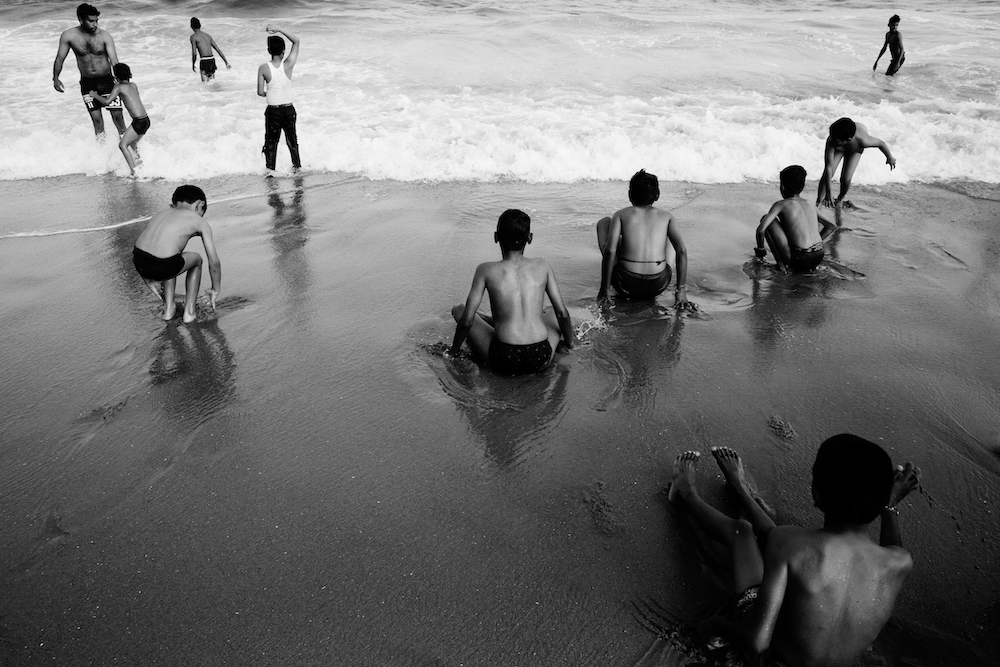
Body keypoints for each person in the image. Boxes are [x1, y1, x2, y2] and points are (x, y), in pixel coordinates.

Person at [667, 436, 921, 667]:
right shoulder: (899, 562)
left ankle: (687, 493)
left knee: (742, 532)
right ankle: (740, 489)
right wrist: (889, 507)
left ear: (816, 495)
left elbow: (757, 641)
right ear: (882, 501)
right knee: (778, 539)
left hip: (771, 661)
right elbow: (892, 546)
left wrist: (715, 625)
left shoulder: (791, 543)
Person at [450, 209, 576, 377]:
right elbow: (562, 314)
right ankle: (562, 348)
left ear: (496, 237)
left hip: (504, 358)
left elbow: (466, 321)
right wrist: (571, 343)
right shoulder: (542, 265)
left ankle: (494, 325)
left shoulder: (485, 269)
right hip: (541, 356)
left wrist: (453, 352)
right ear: (529, 238)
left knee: (459, 309)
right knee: (552, 312)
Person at [597, 169, 695, 310]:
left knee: (605, 222)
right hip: (657, 285)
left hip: (625, 283)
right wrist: (681, 291)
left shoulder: (621, 215)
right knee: (670, 239)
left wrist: (604, 289)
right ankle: (674, 287)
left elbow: (610, 251)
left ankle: (614, 280)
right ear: (657, 195)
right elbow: (682, 251)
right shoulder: (667, 216)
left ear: (630, 194)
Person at [133, 185, 222, 324]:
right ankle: (190, 312)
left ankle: (169, 308)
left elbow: (151, 246)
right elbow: (214, 261)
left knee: (174, 254)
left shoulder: (161, 214)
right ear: (200, 205)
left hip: (139, 262)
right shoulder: (198, 221)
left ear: (173, 204)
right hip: (163, 265)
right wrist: (215, 289)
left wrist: (149, 277)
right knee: (197, 259)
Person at [52, 3, 127, 139]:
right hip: (87, 84)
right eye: (91, 21)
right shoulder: (69, 36)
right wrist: (55, 78)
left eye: (96, 21)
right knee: (97, 122)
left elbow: (115, 61)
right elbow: (60, 58)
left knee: (118, 118)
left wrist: (122, 82)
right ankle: (102, 153)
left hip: (107, 81)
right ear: (81, 20)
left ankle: (133, 152)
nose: (95, 24)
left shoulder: (105, 36)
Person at [755, 166, 837, 273]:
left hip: (799, 258)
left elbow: (761, 230)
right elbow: (831, 226)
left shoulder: (781, 204)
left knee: (766, 219)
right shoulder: (809, 203)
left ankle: (782, 267)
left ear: (783, 186)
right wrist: (814, 244)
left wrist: (760, 250)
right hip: (818, 255)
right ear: (802, 186)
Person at [816, 118, 896, 209]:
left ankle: (840, 198)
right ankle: (818, 201)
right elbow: (828, 167)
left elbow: (881, 143)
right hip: (840, 146)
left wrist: (889, 157)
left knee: (846, 179)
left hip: (855, 149)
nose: (832, 140)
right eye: (831, 137)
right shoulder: (832, 140)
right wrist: (828, 193)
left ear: (849, 139)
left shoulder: (863, 140)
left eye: (835, 140)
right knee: (828, 173)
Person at [89, 63, 149, 176]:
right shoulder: (133, 85)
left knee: (122, 145)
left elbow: (107, 102)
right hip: (145, 120)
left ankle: (134, 172)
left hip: (138, 121)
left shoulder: (118, 87)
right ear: (129, 74)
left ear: (115, 77)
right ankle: (141, 166)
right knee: (132, 144)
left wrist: (95, 95)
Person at [257, 25, 301, 174]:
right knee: (292, 141)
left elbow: (259, 92)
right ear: (283, 51)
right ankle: (297, 168)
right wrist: (279, 29)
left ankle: (271, 171)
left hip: (273, 111)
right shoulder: (288, 65)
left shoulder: (263, 68)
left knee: (271, 143)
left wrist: (268, 93)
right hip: (288, 109)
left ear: (269, 51)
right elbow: (296, 41)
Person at [190, 17, 231, 82]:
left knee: (205, 84)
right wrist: (226, 62)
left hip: (204, 61)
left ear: (191, 26)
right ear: (200, 25)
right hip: (212, 60)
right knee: (212, 83)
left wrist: (193, 64)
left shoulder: (193, 37)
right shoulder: (208, 36)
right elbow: (218, 49)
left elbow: (194, 53)